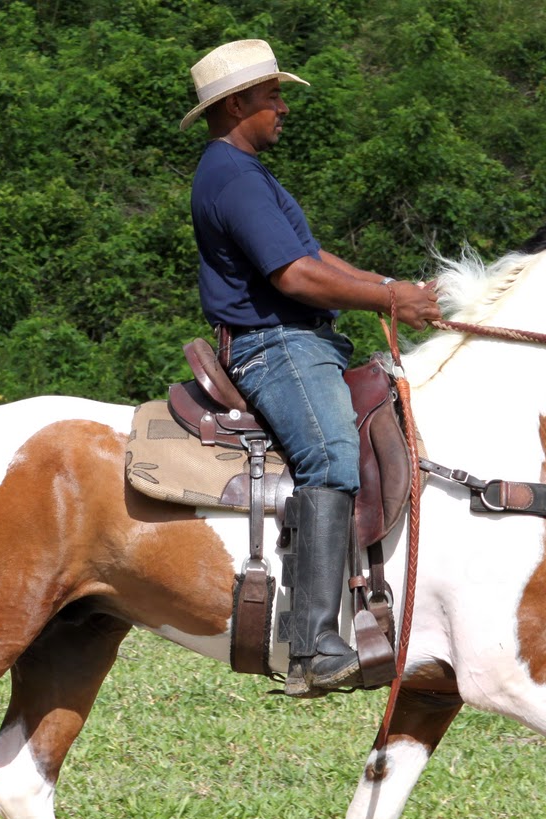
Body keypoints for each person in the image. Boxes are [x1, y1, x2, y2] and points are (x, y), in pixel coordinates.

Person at [182, 39, 439, 697]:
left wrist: (393, 286)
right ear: (238, 103)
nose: (283, 108)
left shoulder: (247, 173)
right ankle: (316, 646)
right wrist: (390, 297)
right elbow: (294, 276)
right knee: (330, 458)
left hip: (299, 341)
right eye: (272, 96)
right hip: (277, 345)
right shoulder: (233, 176)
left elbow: (315, 254)